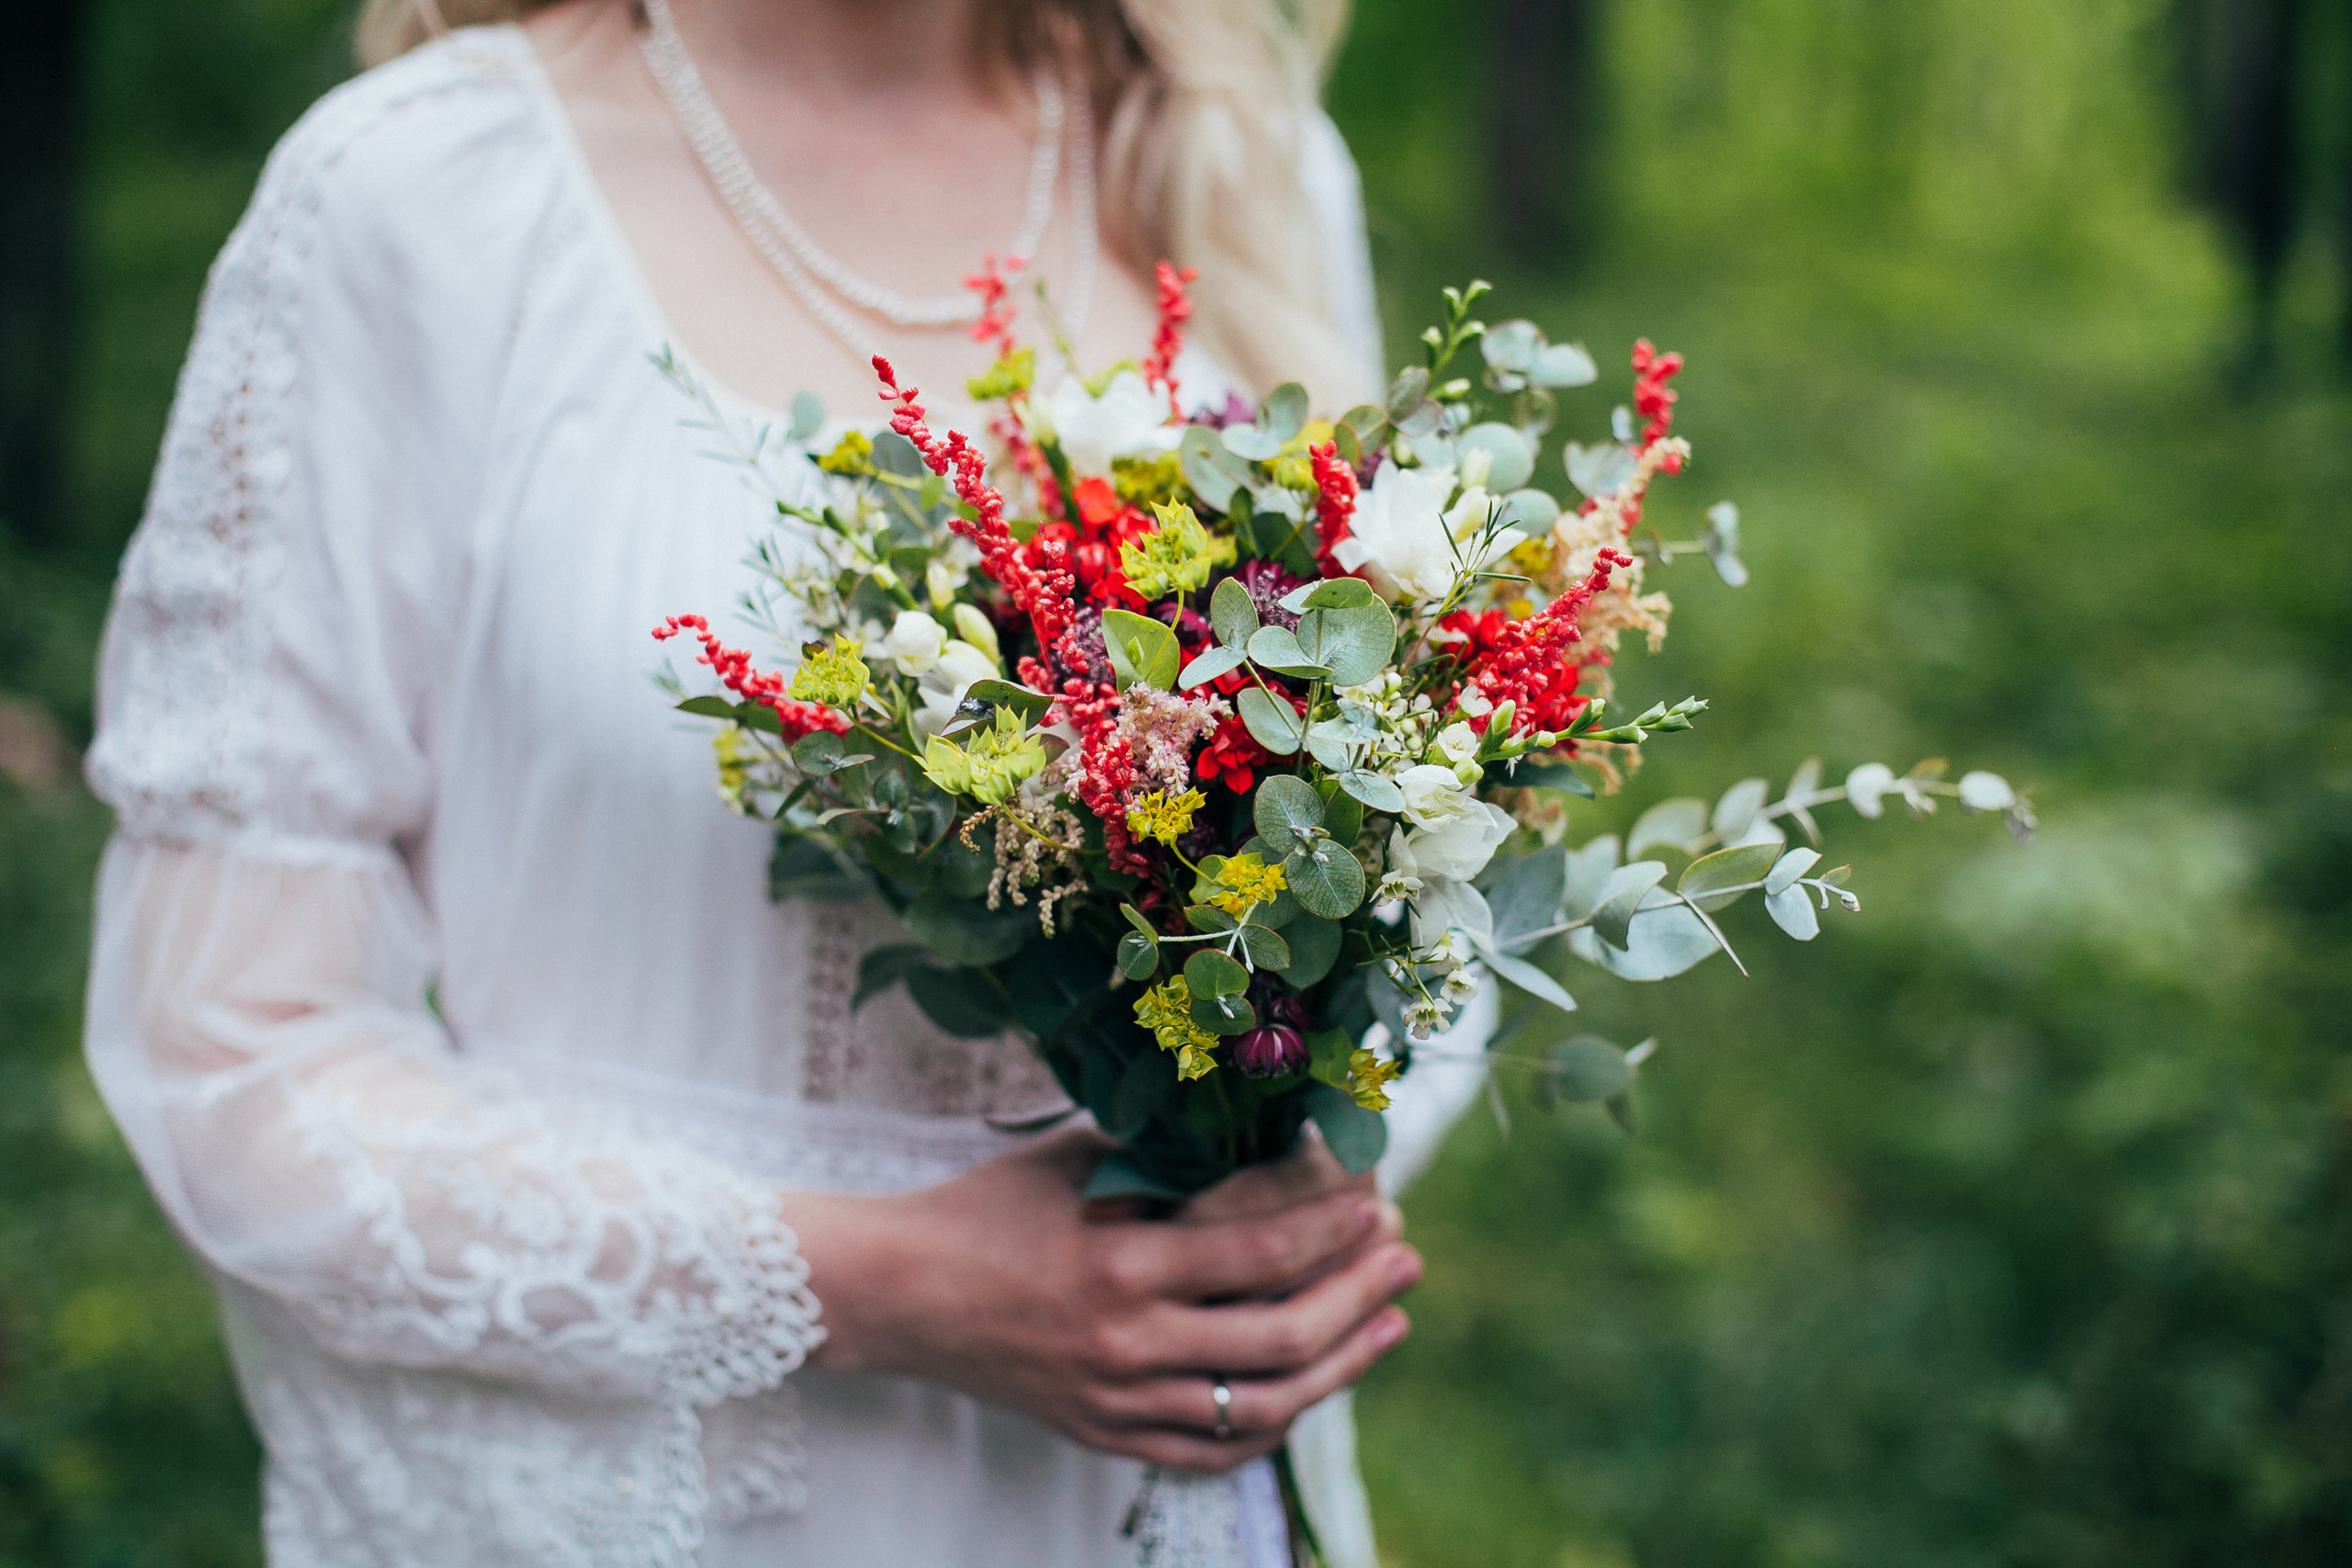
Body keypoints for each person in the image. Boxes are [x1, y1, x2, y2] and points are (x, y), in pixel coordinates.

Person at [80, 0, 1488, 1562]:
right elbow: (229, 1051)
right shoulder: (423, 204)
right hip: (673, 1494)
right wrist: (867, 1281)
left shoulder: (1244, 162)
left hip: (1157, 1500)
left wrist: (1263, 1192)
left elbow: (1403, 854)